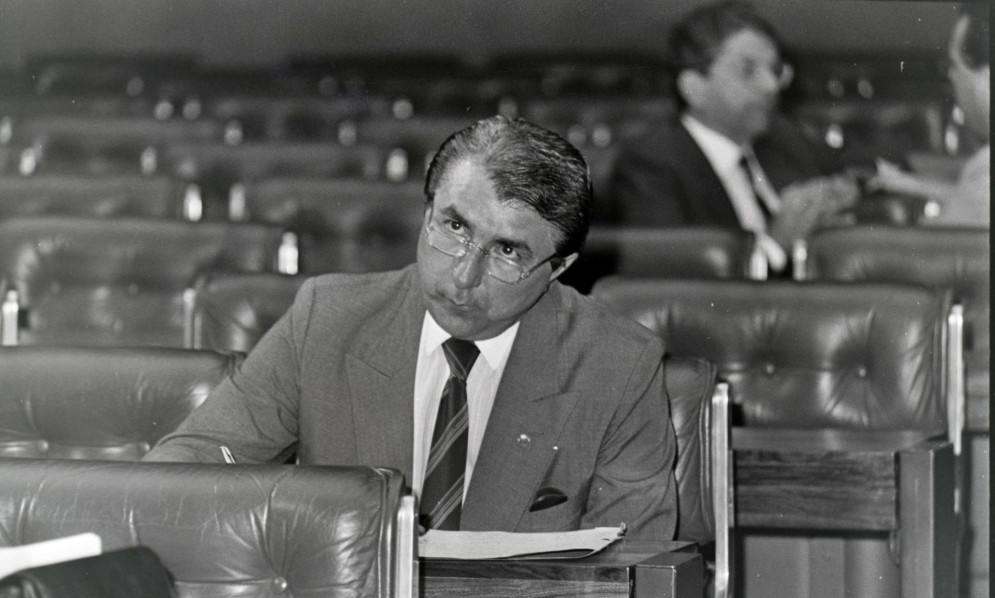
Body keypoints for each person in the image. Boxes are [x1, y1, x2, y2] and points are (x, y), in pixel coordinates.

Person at [145, 116, 678, 540]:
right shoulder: (327, 318)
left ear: (559, 269)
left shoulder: (618, 365)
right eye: (454, 227)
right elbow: (186, 467)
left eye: (508, 252)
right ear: (426, 214)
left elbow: (634, 573)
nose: (463, 276)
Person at [609, 0, 858, 275]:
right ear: (694, 87)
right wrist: (775, 245)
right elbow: (673, 288)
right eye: (748, 70)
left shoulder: (784, 139)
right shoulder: (650, 165)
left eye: (775, 70)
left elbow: (857, 173)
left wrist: (840, 196)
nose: (771, 86)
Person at [868, 3, 989, 227]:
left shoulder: (984, 169)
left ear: (986, 78)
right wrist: (910, 183)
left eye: (955, 65)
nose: (952, 78)